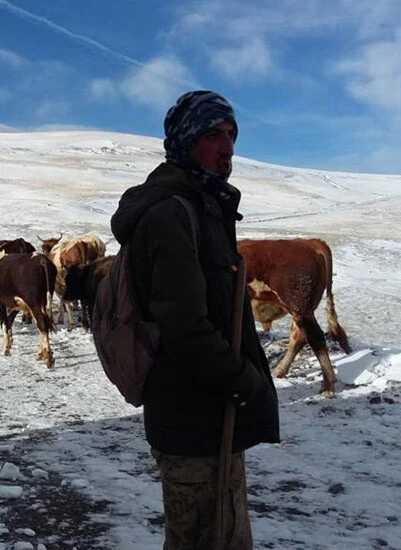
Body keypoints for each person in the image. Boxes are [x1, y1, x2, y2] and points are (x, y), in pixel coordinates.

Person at [110, 91, 280, 548]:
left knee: (223, 536)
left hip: (211, 413)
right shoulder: (171, 214)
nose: (227, 148)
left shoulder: (204, 205)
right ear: (186, 141)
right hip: (194, 419)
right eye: (212, 135)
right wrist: (247, 381)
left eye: (231, 135)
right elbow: (185, 327)